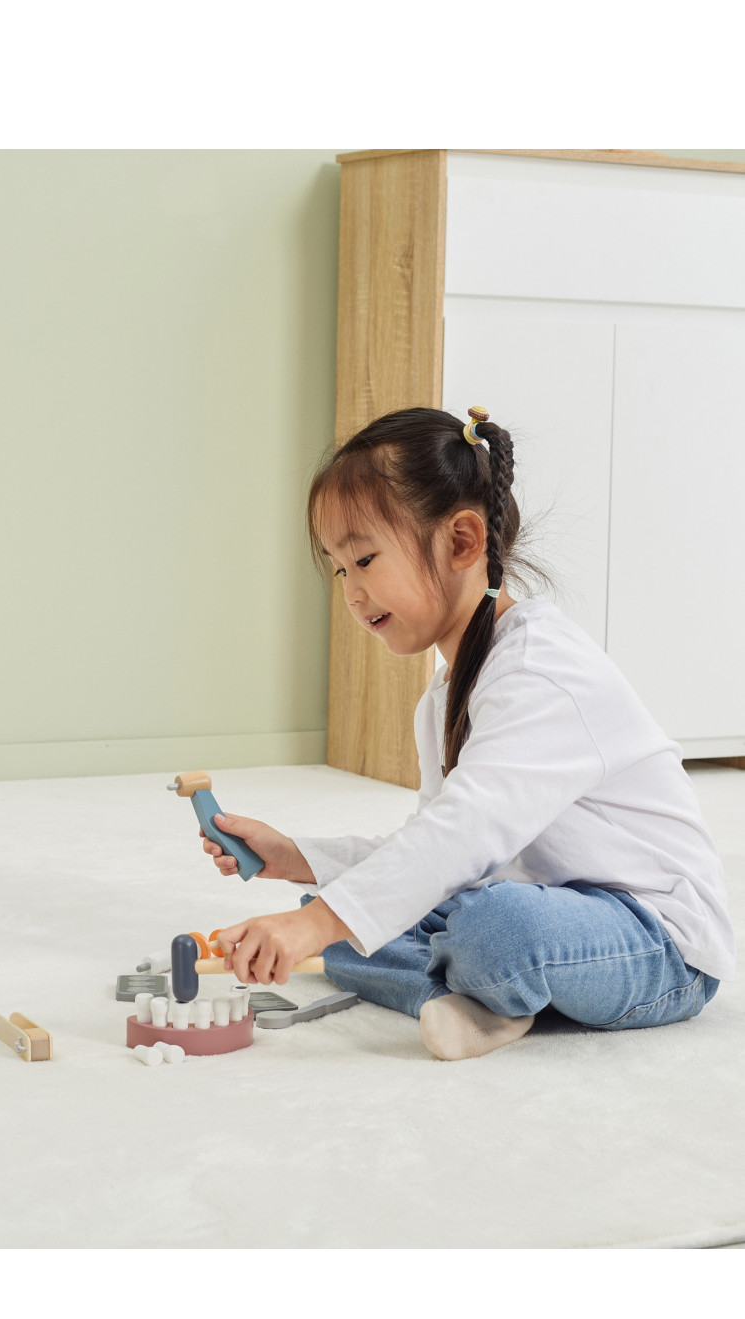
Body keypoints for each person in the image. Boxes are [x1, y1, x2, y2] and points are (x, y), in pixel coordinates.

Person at [205, 406, 734, 1060]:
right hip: (537, 904)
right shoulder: (445, 693)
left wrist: (312, 925)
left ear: (461, 541)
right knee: (351, 924)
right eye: (341, 569)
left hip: (656, 943)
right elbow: (434, 847)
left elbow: (462, 836)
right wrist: (300, 859)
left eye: (364, 559)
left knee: (483, 929)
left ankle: (477, 982)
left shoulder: (541, 670)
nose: (352, 592)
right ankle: (470, 1002)